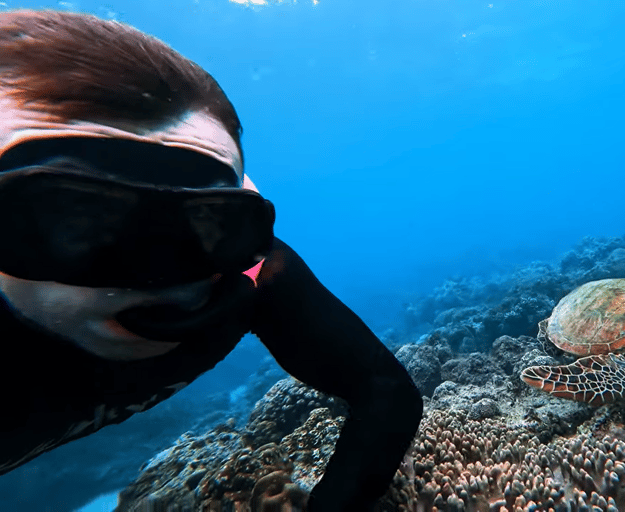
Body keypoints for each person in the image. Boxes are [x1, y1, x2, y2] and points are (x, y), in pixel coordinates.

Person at [0, 10, 422, 511]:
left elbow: (386, 393)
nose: (159, 275)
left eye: (205, 222)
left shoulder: (248, 272)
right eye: (77, 217)